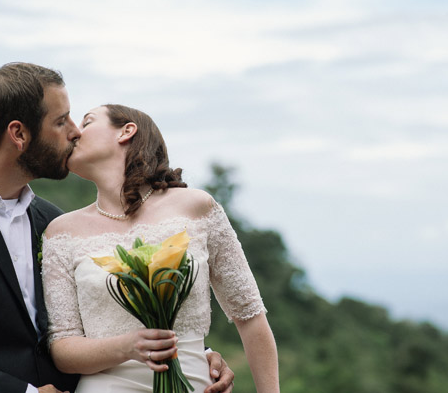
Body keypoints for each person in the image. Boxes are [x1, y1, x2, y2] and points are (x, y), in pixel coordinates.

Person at [0, 63, 235, 393]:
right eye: (61, 122)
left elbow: (97, 314)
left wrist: (191, 352)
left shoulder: (53, 222)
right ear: (19, 134)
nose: (75, 132)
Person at [41, 104, 280, 392]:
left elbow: (250, 315)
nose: (75, 133)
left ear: (126, 131)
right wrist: (126, 347)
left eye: (87, 122)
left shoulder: (196, 207)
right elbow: (63, 349)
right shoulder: (61, 231)